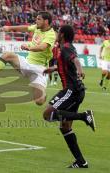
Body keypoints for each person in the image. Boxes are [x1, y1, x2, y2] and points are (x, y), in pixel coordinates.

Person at [43, 25, 95, 168]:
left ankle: (84, 116)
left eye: (58, 32)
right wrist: (53, 69)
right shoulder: (66, 47)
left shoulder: (66, 47)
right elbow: (67, 64)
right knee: (65, 127)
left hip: (71, 91)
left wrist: (80, 70)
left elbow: (76, 61)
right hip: (77, 91)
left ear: (62, 35)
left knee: (48, 114)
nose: (56, 34)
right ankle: (81, 162)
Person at [0, 11, 56, 105]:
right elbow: (25, 28)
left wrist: (29, 47)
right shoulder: (37, 27)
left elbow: (42, 47)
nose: (36, 21)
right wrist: (9, 28)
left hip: (40, 69)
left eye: (38, 19)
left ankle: (43, 95)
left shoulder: (51, 34)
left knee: (39, 101)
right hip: (27, 63)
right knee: (7, 55)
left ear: (46, 21)